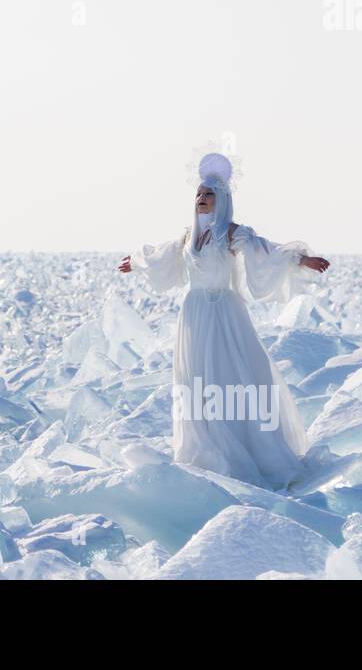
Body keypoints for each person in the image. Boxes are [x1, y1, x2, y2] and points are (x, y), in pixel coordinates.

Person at [118, 153, 329, 491]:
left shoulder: (232, 233)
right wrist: (138, 263)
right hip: (194, 314)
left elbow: (266, 251)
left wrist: (301, 259)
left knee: (230, 379)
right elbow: (162, 256)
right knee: (195, 382)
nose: (202, 200)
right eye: (199, 195)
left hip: (224, 314)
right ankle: (200, 452)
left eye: (209, 195)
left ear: (223, 200)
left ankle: (240, 452)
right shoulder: (188, 236)